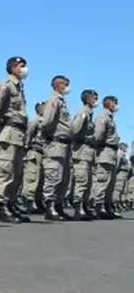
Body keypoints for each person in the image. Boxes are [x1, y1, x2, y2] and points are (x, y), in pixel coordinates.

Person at [0, 56, 30, 223]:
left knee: (16, 172)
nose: (25, 69)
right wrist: (3, 124)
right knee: (5, 171)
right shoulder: (6, 85)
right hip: (9, 132)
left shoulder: (19, 87)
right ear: (13, 68)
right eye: (21, 66)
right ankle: (2, 207)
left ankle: (11, 203)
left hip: (19, 135)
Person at [40, 75, 75, 221]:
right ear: (57, 85)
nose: (67, 87)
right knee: (53, 176)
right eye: (65, 84)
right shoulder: (54, 100)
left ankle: (59, 206)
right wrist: (49, 137)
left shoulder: (62, 101)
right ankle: (50, 207)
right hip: (56, 143)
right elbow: (47, 122)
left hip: (65, 145)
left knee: (64, 178)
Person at [70, 89, 99, 221]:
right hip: (81, 151)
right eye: (94, 98)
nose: (96, 100)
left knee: (88, 181)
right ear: (87, 100)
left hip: (88, 152)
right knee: (81, 180)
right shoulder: (82, 113)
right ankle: (78, 207)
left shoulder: (89, 113)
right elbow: (74, 130)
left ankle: (85, 206)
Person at [91, 96, 119, 219]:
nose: (116, 105)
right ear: (107, 103)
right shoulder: (103, 117)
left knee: (110, 182)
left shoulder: (110, 118)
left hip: (111, 152)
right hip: (105, 151)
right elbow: (98, 135)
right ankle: (99, 206)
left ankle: (106, 205)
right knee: (102, 180)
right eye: (114, 102)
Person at [23, 101, 46, 214]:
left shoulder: (46, 122)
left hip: (43, 153)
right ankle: (30, 202)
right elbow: (28, 135)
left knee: (41, 180)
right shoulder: (35, 121)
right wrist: (27, 147)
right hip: (34, 152)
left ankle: (38, 201)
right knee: (33, 178)